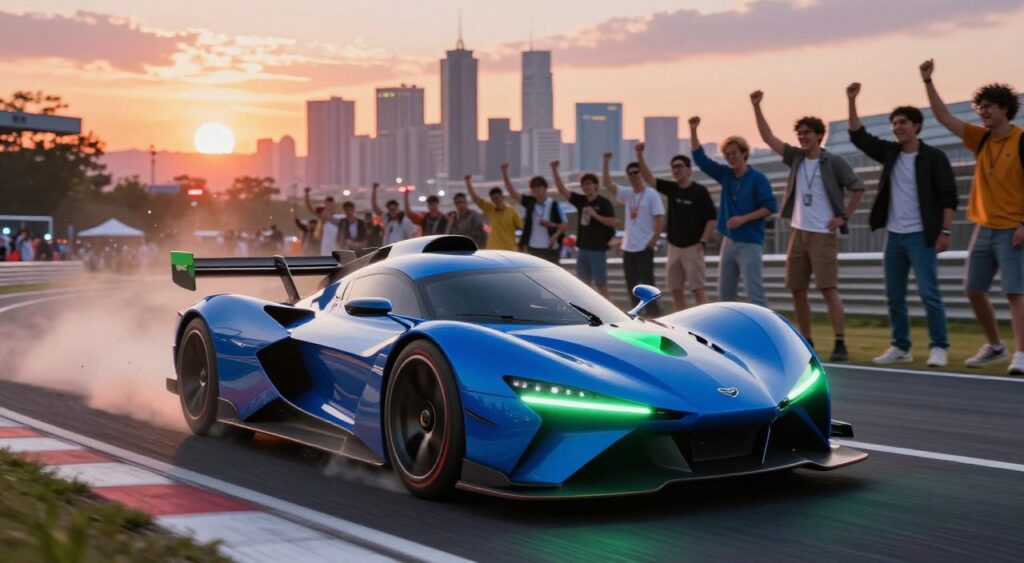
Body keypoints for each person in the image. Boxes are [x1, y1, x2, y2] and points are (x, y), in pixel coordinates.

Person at [921, 59, 1024, 373]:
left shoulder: (1021, 140)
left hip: (1013, 228)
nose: (982, 111)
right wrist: (928, 81)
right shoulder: (980, 139)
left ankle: (1021, 354)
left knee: (1015, 292)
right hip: (985, 227)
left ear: (1005, 108)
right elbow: (942, 116)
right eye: (979, 106)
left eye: (988, 106)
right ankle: (995, 345)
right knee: (973, 289)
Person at [847, 82, 958, 367]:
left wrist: (944, 231)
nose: (897, 127)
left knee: (929, 294)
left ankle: (939, 346)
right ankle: (900, 346)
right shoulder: (890, 153)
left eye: (903, 122)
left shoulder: (934, 158)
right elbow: (859, 137)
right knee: (894, 296)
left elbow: (949, 197)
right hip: (894, 237)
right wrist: (852, 100)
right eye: (894, 123)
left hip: (923, 236)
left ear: (917, 126)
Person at [751, 90, 865, 361]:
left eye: (807, 133)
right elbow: (769, 138)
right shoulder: (797, 158)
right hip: (798, 232)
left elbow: (858, 188)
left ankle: (840, 342)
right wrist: (757, 106)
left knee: (828, 288)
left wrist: (843, 217)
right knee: (797, 288)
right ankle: (807, 341)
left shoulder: (833, 161)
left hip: (823, 234)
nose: (802, 137)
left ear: (819, 135)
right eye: (799, 133)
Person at [689, 116, 778, 307]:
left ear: (744, 153)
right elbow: (701, 160)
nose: (731, 157)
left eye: (734, 153)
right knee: (725, 292)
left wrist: (743, 219)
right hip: (729, 241)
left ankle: (766, 330)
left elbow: (770, 207)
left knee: (755, 292)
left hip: (750, 242)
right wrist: (693, 130)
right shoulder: (726, 175)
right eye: (727, 154)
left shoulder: (757, 178)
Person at [635, 142, 717, 311]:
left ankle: (706, 319)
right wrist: (639, 155)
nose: (676, 170)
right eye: (673, 167)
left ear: (688, 169)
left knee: (697, 288)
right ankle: (682, 320)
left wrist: (702, 241)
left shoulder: (699, 191)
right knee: (675, 288)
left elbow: (711, 218)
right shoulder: (672, 189)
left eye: (680, 166)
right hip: (674, 247)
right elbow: (649, 178)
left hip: (693, 247)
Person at [603, 151, 665, 313]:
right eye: (630, 174)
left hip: (645, 246)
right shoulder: (628, 194)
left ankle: (654, 315)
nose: (633, 176)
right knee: (632, 285)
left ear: (642, 174)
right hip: (628, 247)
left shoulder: (651, 194)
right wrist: (606, 162)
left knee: (648, 284)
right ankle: (635, 315)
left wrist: (654, 240)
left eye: (636, 172)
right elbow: (608, 185)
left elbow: (659, 217)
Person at [550, 160, 616, 298]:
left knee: (600, 284)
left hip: (598, 249)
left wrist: (595, 215)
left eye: (589, 184)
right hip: (583, 249)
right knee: (584, 285)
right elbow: (562, 190)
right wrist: (555, 170)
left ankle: (610, 312)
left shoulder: (604, 202)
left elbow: (611, 222)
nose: (586, 187)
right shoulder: (581, 200)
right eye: (583, 185)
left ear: (595, 185)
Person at [501, 162, 567, 263]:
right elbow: (512, 192)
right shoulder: (530, 202)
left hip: (550, 248)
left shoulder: (554, 205)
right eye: (533, 188)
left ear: (545, 188)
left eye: (539, 187)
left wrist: (554, 235)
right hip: (533, 247)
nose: (536, 190)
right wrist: (504, 172)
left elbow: (564, 225)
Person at [465, 174, 522, 251]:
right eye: (493, 199)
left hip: (509, 249)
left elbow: (520, 228)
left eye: (497, 197)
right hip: (493, 249)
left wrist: (519, 244)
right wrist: (468, 182)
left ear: (503, 197)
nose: (496, 200)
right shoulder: (490, 209)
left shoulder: (512, 211)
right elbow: (476, 199)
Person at [304, 188, 336, 255]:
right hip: (319, 242)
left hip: (330, 245)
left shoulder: (337, 219)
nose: (330, 206)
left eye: (331, 204)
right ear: (326, 204)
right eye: (328, 204)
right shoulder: (323, 217)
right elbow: (310, 208)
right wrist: (306, 195)